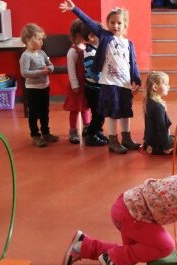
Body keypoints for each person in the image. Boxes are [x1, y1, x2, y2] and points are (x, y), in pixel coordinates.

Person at [59, 1, 142, 154]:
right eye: (112, 22)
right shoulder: (105, 37)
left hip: (124, 83)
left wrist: (137, 80)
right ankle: (113, 140)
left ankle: (127, 138)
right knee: (112, 112)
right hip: (110, 83)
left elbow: (133, 63)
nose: (115, 26)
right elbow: (89, 22)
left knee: (125, 110)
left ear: (125, 25)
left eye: (119, 23)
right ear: (107, 24)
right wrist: (74, 9)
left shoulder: (128, 43)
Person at [20, 23, 59, 147]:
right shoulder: (26, 56)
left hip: (44, 87)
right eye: (38, 39)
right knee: (33, 113)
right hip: (33, 89)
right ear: (28, 40)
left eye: (42, 39)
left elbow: (50, 64)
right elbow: (24, 73)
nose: (41, 42)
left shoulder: (42, 53)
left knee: (44, 111)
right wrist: (40, 72)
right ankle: (35, 135)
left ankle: (46, 132)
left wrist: (50, 69)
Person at [143, 71, 177, 155]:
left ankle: (150, 146)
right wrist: (166, 146)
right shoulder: (158, 106)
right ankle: (156, 148)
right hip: (158, 142)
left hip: (150, 140)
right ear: (155, 87)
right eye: (166, 84)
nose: (169, 87)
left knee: (174, 138)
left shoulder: (149, 101)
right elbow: (162, 128)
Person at [63, 19, 91, 145]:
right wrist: (75, 84)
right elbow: (71, 70)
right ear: (77, 34)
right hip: (76, 86)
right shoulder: (72, 51)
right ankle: (73, 131)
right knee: (75, 109)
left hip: (85, 84)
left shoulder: (85, 48)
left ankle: (87, 127)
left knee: (85, 108)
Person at [80, 23, 108, 146]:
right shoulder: (90, 53)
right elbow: (94, 74)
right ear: (92, 37)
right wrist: (107, 81)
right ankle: (91, 134)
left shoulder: (96, 50)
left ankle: (95, 131)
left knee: (98, 113)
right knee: (99, 114)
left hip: (97, 87)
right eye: (100, 34)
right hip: (94, 89)